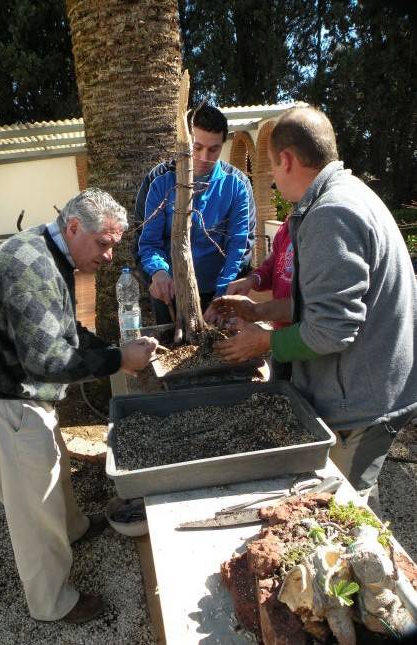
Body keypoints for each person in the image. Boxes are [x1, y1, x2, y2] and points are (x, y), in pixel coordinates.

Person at [0, 188, 158, 624]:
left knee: (54, 468)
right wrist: (120, 359)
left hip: (13, 393)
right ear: (73, 227)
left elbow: (65, 331)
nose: (107, 256)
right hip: (0, 403)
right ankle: (52, 603)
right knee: (34, 509)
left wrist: (113, 346)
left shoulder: (49, 252)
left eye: (113, 246)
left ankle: (75, 529)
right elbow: (49, 361)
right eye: (103, 243)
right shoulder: (34, 269)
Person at [211, 106, 416, 510]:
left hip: (365, 401)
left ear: (286, 160)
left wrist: (265, 344)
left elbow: (332, 330)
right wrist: (258, 311)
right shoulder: (345, 196)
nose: (273, 182)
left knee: (345, 511)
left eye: (271, 167)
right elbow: (324, 304)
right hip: (368, 386)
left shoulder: (331, 214)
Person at [135, 104, 256, 323]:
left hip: (219, 289)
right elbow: (147, 240)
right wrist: (158, 272)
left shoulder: (237, 184)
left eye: (214, 150)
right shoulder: (158, 180)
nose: (204, 157)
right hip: (170, 291)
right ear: (183, 140)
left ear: (222, 145)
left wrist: (222, 295)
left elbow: (239, 246)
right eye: (196, 147)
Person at [213, 213, 294, 380]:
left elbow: (312, 307)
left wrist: (256, 312)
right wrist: (251, 280)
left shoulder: (318, 227)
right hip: (280, 335)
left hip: (302, 339)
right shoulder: (289, 224)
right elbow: (272, 266)